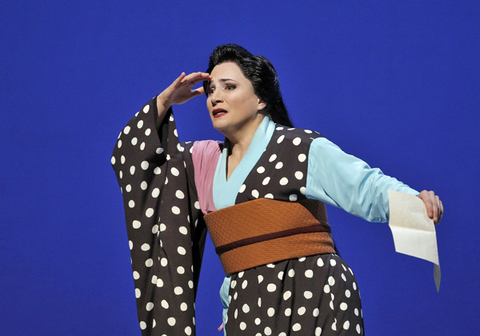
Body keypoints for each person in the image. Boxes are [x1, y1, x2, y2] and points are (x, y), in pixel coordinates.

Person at [111, 44, 443, 336]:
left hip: (314, 295)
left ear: (261, 99)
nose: (215, 97)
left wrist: (412, 203)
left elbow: (363, 185)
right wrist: (163, 102)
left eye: (229, 86)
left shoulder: (297, 146)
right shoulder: (200, 161)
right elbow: (137, 160)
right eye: (211, 89)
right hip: (246, 307)